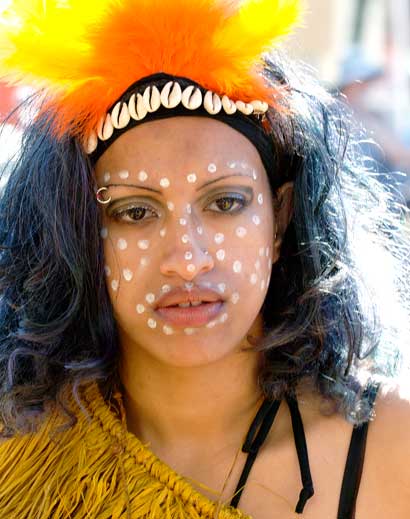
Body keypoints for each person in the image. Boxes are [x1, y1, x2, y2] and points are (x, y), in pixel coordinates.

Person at [0, 1, 409, 518]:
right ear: (81, 233)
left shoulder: (392, 451)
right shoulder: (18, 457)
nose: (187, 261)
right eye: (135, 211)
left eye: (225, 203)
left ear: (279, 221)